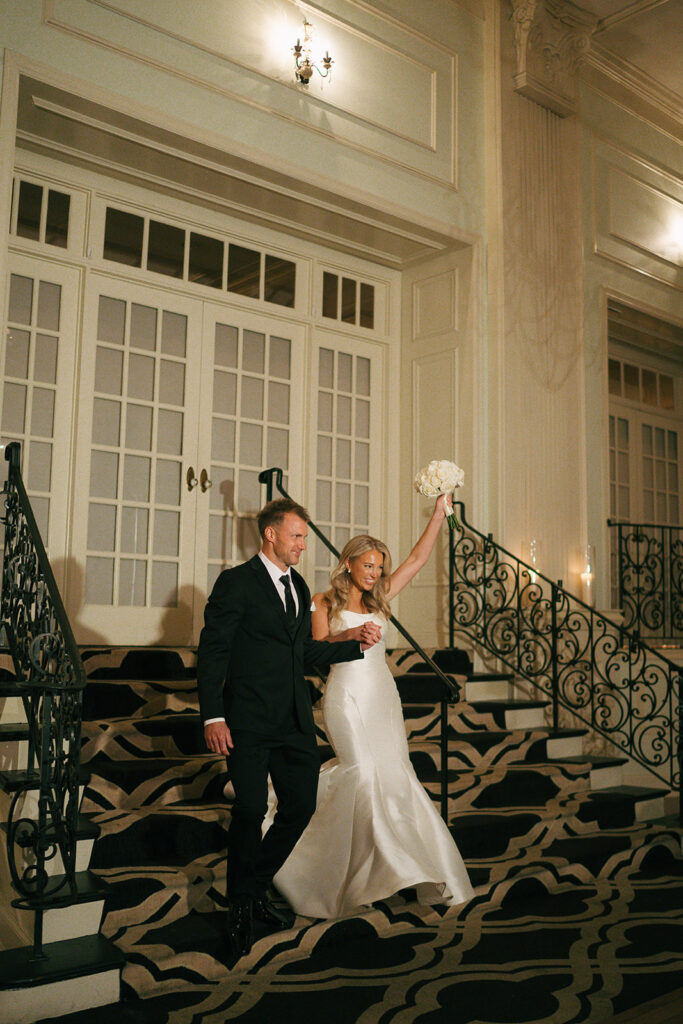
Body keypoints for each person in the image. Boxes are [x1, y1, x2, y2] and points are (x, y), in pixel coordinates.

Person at [267, 495, 474, 918]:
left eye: (380, 567)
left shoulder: (380, 598)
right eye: (368, 566)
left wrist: (437, 516)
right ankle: (329, 869)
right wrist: (350, 636)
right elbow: (314, 649)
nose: (375, 573)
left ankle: (398, 871)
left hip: (382, 696)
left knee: (395, 777)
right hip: (345, 697)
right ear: (349, 564)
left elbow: (417, 560)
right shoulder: (323, 601)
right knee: (360, 773)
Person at [197, 498, 381, 959]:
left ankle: (253, 888)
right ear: (271, 535)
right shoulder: (236, 583)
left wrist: (352, 644)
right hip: (247, 720)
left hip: (294, 719)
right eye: (297, 535)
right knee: (251, 809)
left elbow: (301, 654)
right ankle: (241, 906)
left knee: (300, 805)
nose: (303, 544)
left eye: (303, 536)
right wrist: (212, 715)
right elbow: (214, 651)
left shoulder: (299, 586)